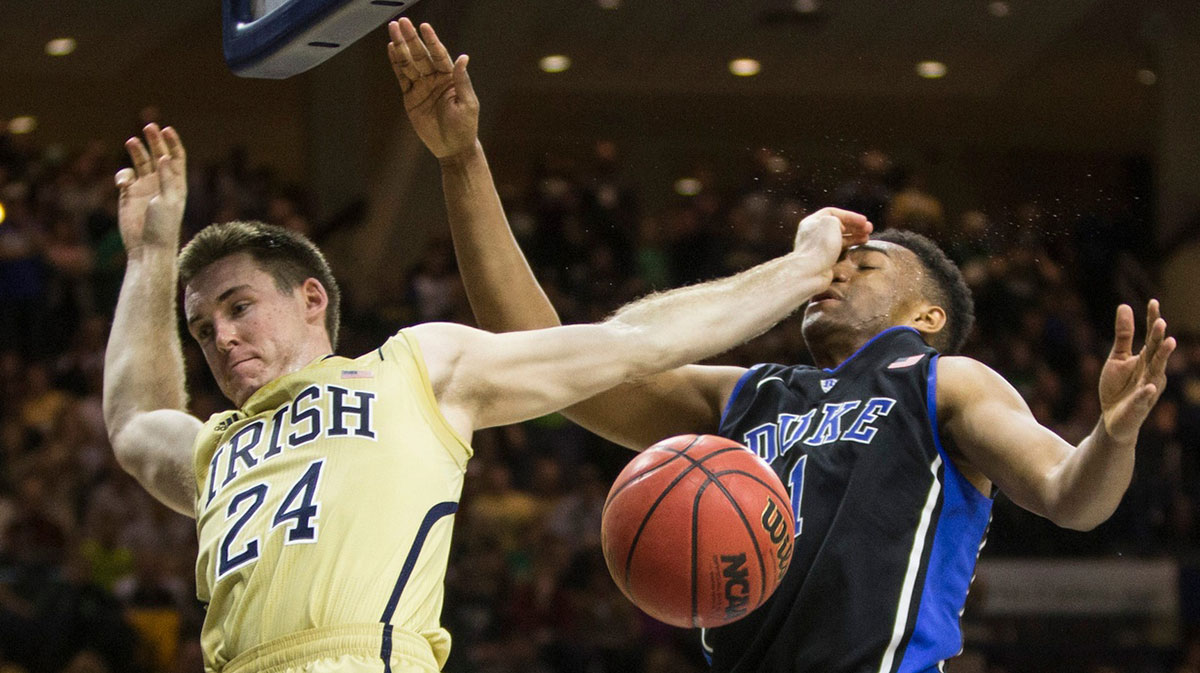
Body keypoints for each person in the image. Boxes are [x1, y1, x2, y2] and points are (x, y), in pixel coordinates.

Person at [392, 17, 1180, 673]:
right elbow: (539, 347)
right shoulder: (743, 394)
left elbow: (1074, 498)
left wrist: (1112, 432)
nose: (833, 275)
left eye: (863, 265)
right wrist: (462, 157)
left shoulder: (944, 383)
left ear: (928, 315)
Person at [100, 52, 871, 673]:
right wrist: (149, 254)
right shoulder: (219, 447)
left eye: (239, 307)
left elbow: (635, 342)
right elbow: (135, 422)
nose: (222, 337)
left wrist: (797, 272)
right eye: (201, 329)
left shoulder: (415, 368)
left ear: (311, 299)